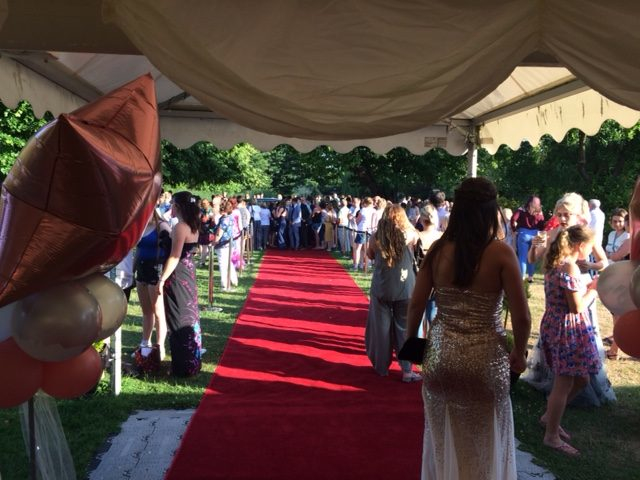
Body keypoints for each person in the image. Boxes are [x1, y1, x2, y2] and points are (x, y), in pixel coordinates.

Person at [406, 177, 531, 479]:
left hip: (441, 358)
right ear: (491, 210)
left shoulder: (437, 250)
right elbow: (522, 316)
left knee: (441, 437)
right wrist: (519, 352)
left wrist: (413, 345)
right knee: (486, 440)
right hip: (486, 361)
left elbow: (416, 304)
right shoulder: (500, 253)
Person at [525, 192, 614, 406]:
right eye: (560, 214)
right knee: (561, 341)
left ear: (578, 216)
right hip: (557, 292)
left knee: (582, 337)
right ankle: (557, 387)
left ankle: (581, 386)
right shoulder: (553, 232)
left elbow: (603, 262)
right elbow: (532, 259)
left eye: (567, 214)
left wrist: (590, 266)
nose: (563, 218)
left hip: (579, 286)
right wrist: (535, 245)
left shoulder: (583, 235)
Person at [538, 225, 600, 457]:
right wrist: (594, 289)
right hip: (566, 328)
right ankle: (551, 436)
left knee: (581, 378)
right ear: (580, 245)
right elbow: (576, 306)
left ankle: (548, 417)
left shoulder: (559, 262)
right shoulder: (569, 266)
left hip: (559, 324)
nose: (591, 249)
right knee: (563, 384)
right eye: (590, 245)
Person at [364, 204, 420, 382]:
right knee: (405, 329)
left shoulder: (375, 237)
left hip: (382, 286)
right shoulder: (409, 235)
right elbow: (416, 235)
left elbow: (370, 255)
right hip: (405, 287)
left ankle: (381, 367)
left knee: (380, 328)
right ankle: (407, 370)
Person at [157, 191, 203, 377]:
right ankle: (190, 361)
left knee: (178, 315)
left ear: (178, 206)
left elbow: (174, 257)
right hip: (188, 272)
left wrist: (161, 280)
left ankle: (182, 366)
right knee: (187, 314)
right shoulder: (192, 226)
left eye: (173, 204)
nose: (171, 207)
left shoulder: (180, 227)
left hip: (178, 275)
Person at [134, 209, 171, 361]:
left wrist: (164, 276)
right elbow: (138, 249)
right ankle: (145, 343)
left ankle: (159, 346)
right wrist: (132, 271)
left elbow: (170, 252)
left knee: (158, 312)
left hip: (156, 269)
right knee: (146, 310)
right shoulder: (141, 227)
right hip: (141, 270)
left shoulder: (162, 226)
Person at [603, 208, 630, 360]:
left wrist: (611, 255)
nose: (619, 224)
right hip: (617, 274)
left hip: (623, 278)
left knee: (619, 314)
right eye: (614, 221)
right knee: (617, 313)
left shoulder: (630, 238)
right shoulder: (614, 235)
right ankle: (616, 344)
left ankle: (614, 350)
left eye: (622, 221)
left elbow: (616, 255)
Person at [511, 195, 545, 282]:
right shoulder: (539, 212)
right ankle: (530, 277)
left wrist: (514, 230)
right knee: (532, 256)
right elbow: (542, 225)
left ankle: (522, 277)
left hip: (523, 234)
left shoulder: (521, 209)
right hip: (535, 235)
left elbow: (513, 219)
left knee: (522, 257)